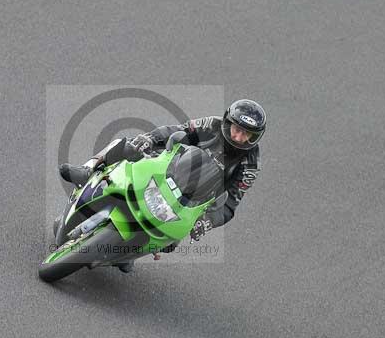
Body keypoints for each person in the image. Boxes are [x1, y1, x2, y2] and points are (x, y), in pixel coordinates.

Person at [58, 99, 266, 272]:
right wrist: (149, 139)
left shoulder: (250, 164)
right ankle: (88, 170)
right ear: (228, 123)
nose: (239, 137)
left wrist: (207, 221)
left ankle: (129, 253)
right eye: (237, 129)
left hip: (194, 200)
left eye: (246, 134)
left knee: (170, 243)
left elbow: (231, 204)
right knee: (126, 145)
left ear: (254, 138)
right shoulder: (211, 125)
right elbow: (177, 130)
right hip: (170, 167)